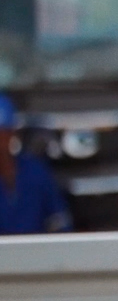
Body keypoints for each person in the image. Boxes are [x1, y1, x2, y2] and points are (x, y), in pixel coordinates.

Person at [0, 93, 72, 236]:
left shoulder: (35, 171)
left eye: (3, 133)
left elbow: (58, 218)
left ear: (12, 134)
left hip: (37, 253)